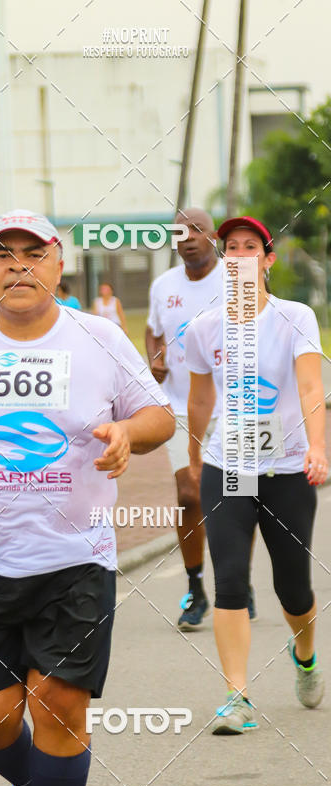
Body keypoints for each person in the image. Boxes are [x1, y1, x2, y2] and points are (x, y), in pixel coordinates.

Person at [0, 209, 173, 786]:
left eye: (33, 254)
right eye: (4, 254)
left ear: (58, 263)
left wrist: (128, 432)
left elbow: (160, 415)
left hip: (75, 559)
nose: (18, 266)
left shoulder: (99, 338)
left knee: (58, 702)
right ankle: (28, 783)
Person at [185, 216, 327, 734]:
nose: (241, 255)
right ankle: (237, 696)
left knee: (293, 588)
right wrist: (195, 453)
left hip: (287, 468)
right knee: (230, 579)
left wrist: (317, 447)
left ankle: (305, 653)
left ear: (267, 260)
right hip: (229, 466)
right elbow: (200, 397)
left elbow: (311, 388)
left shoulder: (296, 317)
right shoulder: (204, 327)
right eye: (231, 249)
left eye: (251, 247)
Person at [145, 208, 255, 629]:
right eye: (180, 231)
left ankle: (238, 584)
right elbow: (154, 330)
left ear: (212, 236)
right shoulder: (162, 285)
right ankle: (197, 589)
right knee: (189, 495)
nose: (188, 237)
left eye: (196, 229)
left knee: (238, 496)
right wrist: (154, 355)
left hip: (238, 403)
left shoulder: (238, 276)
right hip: (180, 404)